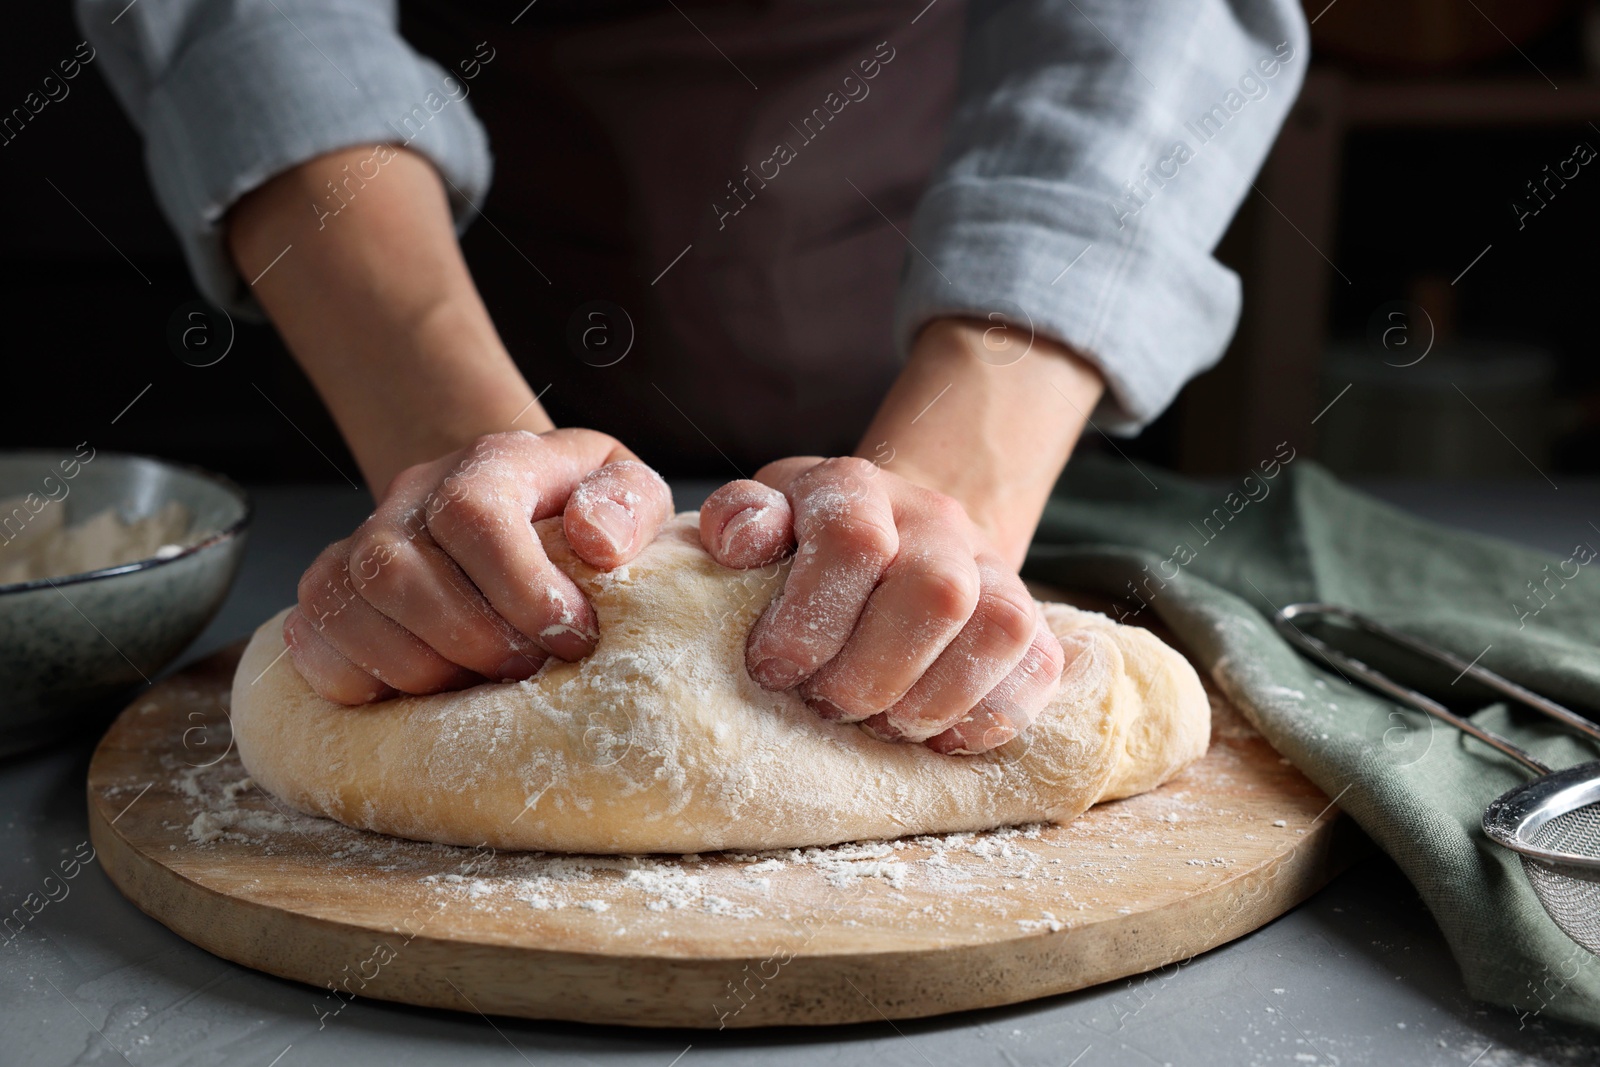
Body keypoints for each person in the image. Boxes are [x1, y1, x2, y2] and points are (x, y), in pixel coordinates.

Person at [81, 0, 1307, 754]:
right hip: (422, 266)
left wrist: (958, 485)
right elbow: (261, 17)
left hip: (908, 247)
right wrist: (453, 457)